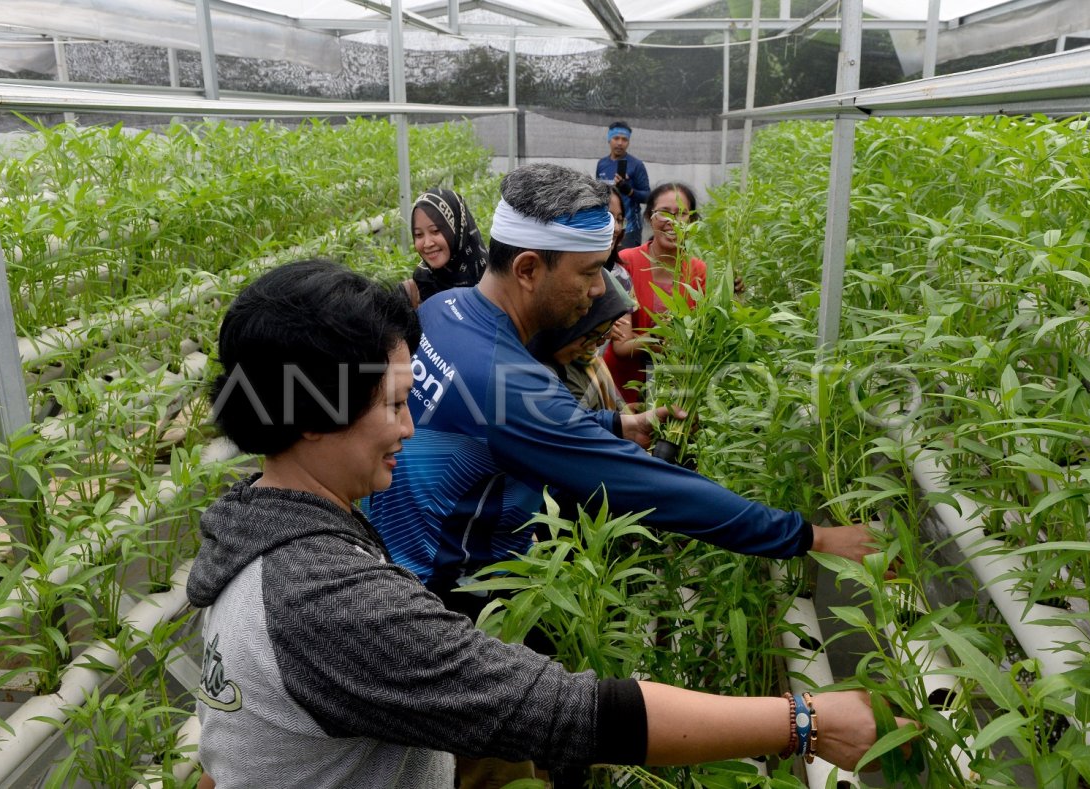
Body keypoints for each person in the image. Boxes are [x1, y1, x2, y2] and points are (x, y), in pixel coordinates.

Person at [191, 258, 907, 788]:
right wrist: (804, 720)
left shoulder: (257, 525)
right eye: (395, 403)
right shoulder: (329, 599)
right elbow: (566, 711)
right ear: (314, 415)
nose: (410, 428)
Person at [367, 163, 875, 621]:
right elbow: (651, 487)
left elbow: (491, 428)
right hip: (454, 599)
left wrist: (617, 423)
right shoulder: (508, 379)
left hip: (395, 558)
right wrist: (809, 536)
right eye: (588, 274)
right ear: (527, 269)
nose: (597, 292)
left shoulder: (445, 308)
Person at [604, 182, 704, 406]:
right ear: (649, 217)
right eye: (665, 213)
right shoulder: (626, 262)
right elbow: (620, 344)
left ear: (693, 221)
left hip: (675, 387)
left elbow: (702, 335)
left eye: (682, 214)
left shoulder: (698, 271)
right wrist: (663, 339)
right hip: (623, 386)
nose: (673, 222)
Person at [529, 267, 633, 412]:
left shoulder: (588, 361)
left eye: (605, 333)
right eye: (593, 334)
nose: (599, 342)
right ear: (573, 326)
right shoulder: (545, 380)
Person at [400, 187, 488, 308]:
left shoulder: (490, 277)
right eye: (419, 235)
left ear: (457, 229)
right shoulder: (421, 282)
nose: (427, 243)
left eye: (435, 231)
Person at [595, 121, 650, 249]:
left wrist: (629, 190)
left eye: (624, 139)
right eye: (616, 138)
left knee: (625, 263)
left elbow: (647, 196)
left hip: (629, 227)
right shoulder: (602, 164)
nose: (620, 143)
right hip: (606, 225)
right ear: (609, 139)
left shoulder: (636, 165)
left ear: (628, 142)